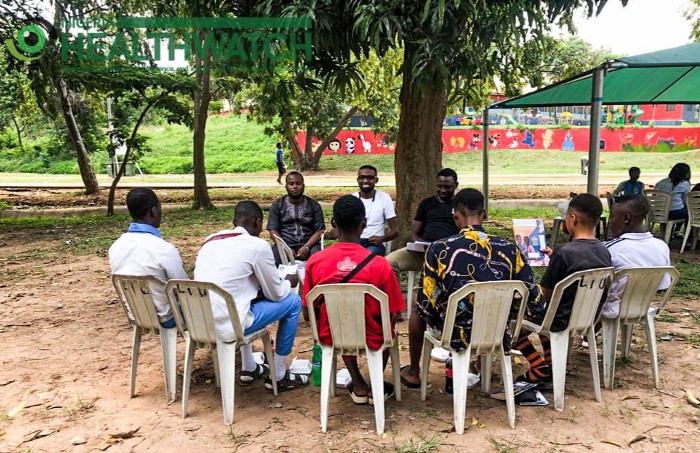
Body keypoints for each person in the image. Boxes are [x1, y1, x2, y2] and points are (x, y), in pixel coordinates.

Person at [399, 188, 543, 388]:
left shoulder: (440, 248)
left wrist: (438, 314)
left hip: (454, 333)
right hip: (496, 332)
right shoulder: (510, 249)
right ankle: (481, 365)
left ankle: (414, 371)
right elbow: (536, 299)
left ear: (455, 215)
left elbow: (426, 303)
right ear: (485, 215)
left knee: (417, 309)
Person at [194, 201, 307, 391]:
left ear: (234, 222)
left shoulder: (210, 240)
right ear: (258, 222)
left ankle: (249, 368)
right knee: (293, 302)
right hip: (229, 325)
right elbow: (276, 294)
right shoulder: (257, 246)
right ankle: (279, 375)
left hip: (199, 323)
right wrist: (289, 281)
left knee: (246, 296)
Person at [303, 195, 405, 403]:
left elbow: (307, 313)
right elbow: (394, 310)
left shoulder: (315, 262)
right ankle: (376, 384)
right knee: (387, 326)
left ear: (334, 223)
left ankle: (358, 383)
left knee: (340, 322)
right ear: (363, 224)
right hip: (374, 337)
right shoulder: (380, 264)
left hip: (331, 336)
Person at [514, 193, 612, 387]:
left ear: (572, 218)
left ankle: (538, 366)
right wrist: (555, 259)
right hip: (587, 318)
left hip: (560, 320)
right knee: (544, 317)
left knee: (514, 324)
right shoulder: (604, 251)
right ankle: (551, 366)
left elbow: (545, 295)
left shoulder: (564, 252)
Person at [109, 188, 188, 328]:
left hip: (136, 315)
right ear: (153, 211)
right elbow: (183, 287)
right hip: (166, 317)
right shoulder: (164, 249)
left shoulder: (115, 246)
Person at [386, 168, 460, 289]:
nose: (443, 190)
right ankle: (395, 299)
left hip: (451, 255)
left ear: (456, 185)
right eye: (439, 186)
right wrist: (420, 244)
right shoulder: (427, 203)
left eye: (448, 187)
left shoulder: (460, 205)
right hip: (424, 253)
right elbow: (414, 233)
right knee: (389, 262)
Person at [601, 195, 671, 319]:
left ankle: (591, 332)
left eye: (612, 216)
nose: (610, 221)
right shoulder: (662, 246)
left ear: (626, 218)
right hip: (643, 308)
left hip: (610, 310)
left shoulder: (610, 248)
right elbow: (663, 285)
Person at [327, 165, 399, 255]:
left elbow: (395, 230)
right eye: (362, 177)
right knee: (335, 255)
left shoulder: (384, 198)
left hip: (374, 244)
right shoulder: (352, 199)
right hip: (353, 242)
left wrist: (382, 238)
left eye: (370, 178)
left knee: (365, 256)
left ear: (376, 180)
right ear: (358, 180)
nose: (365, 180)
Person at [268, 171, 325, 265]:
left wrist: (306, 247)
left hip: (310, 245)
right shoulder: (278, 205)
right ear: (286, 186)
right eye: (291, 184)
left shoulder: (314, 205)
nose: (295, 186)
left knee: (318, 259)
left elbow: (319, 231)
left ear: (303, 185)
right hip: (284, 245)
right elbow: (273, 231)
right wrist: (285, 248)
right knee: (272, 260)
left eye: (298, 183)